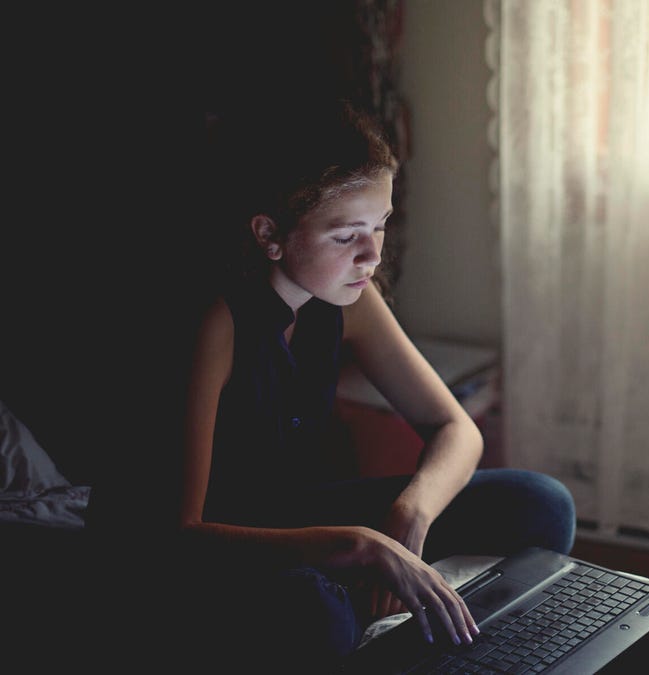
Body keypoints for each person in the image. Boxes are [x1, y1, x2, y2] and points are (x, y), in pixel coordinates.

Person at [174, 98, 576, 673]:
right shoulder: (216, 324)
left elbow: (454, 427)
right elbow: (181, 534)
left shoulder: (351, 300)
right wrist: (360, 547)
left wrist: (410, 513)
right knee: (316, 615)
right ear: (270, 234)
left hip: (304, 515)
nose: (371, 255)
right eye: (346, 237)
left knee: (543, 505)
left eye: (380, 226)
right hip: (231, 544)